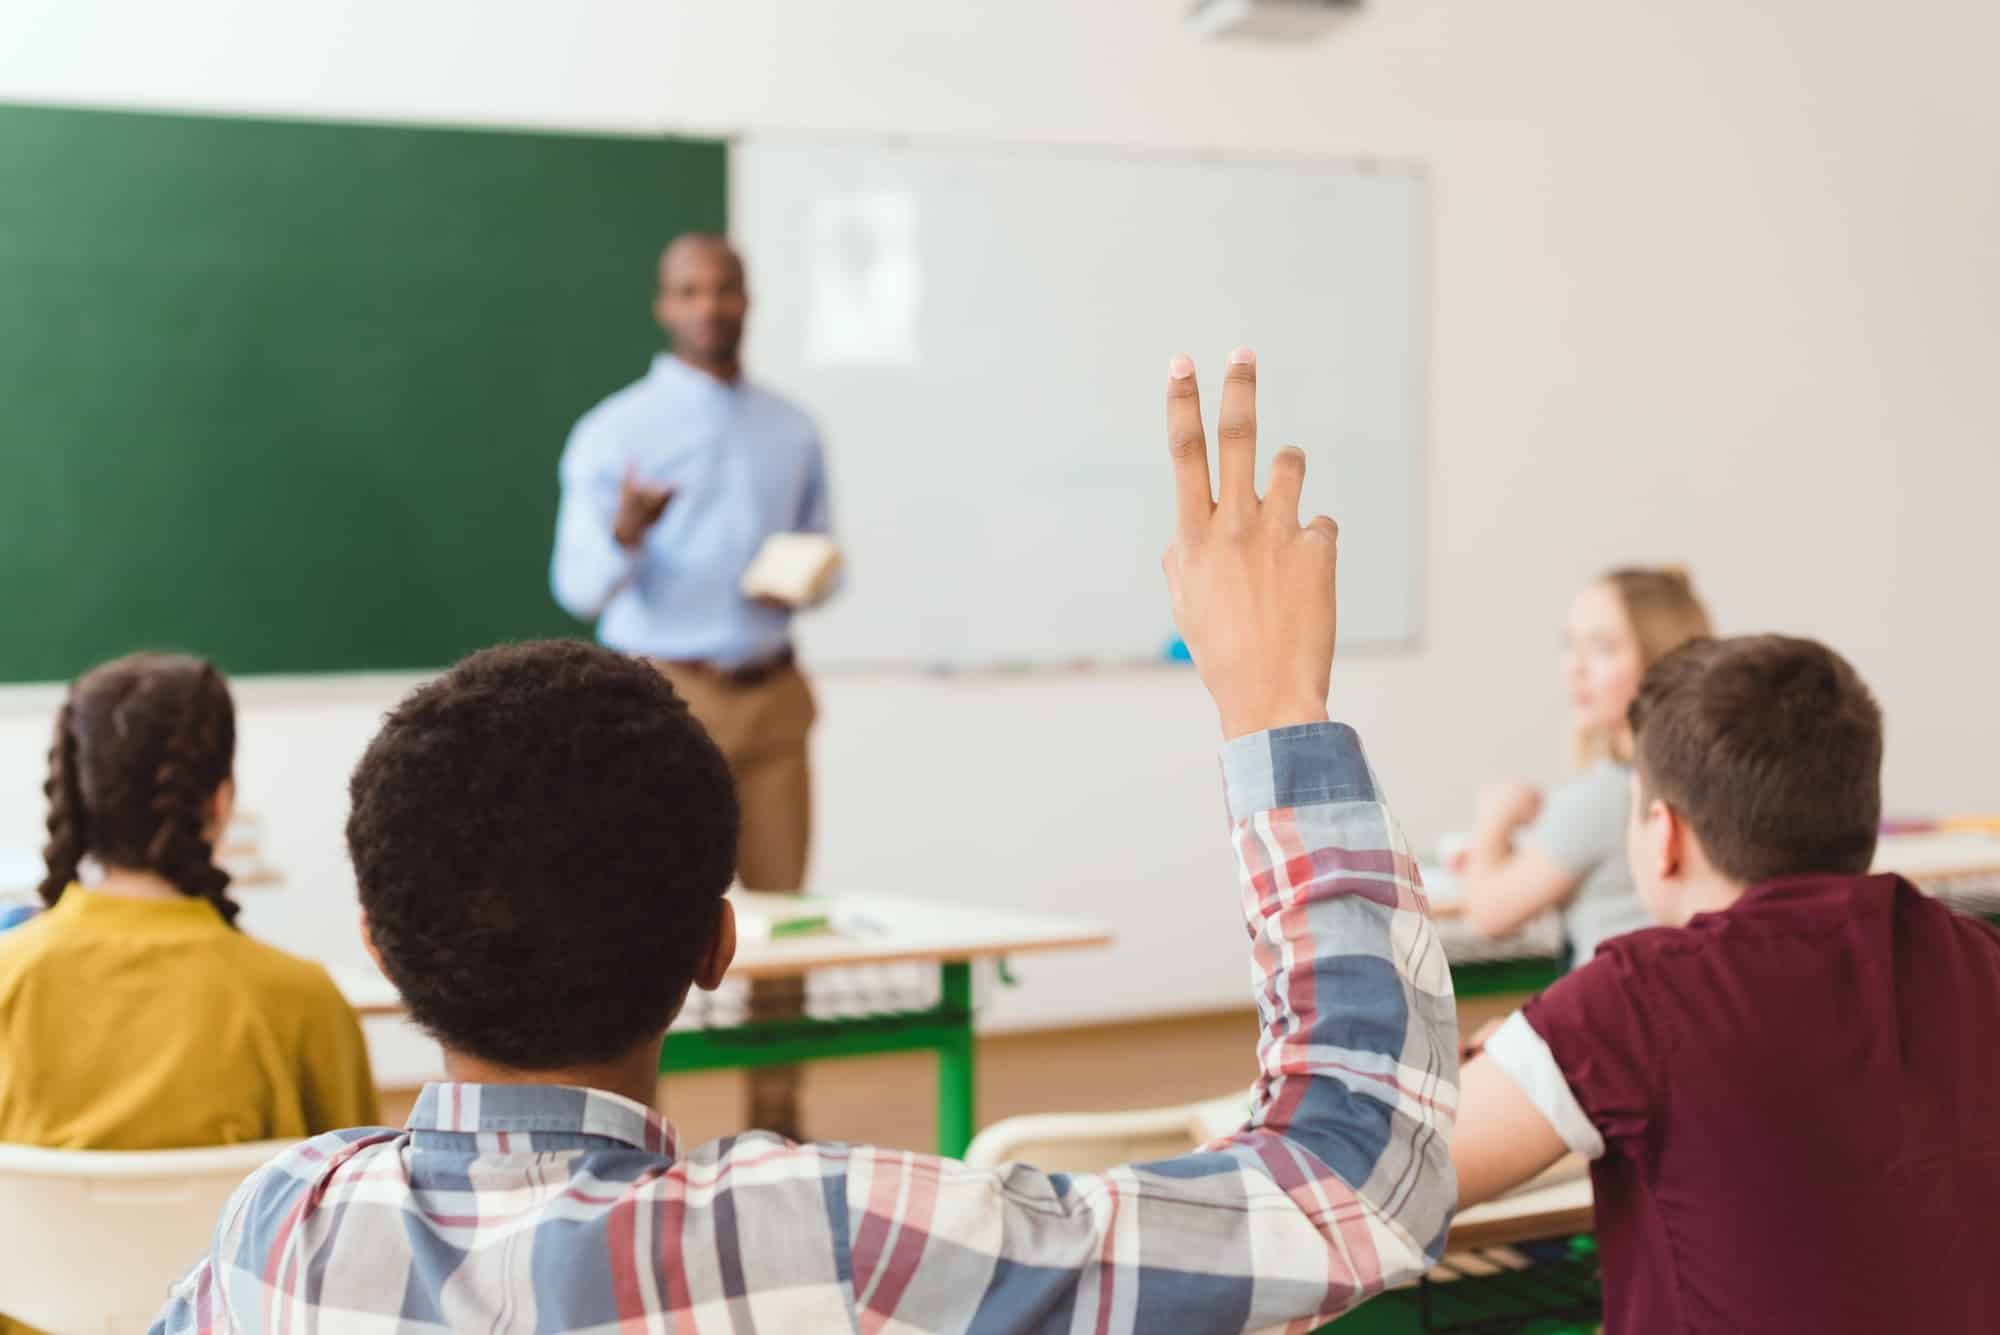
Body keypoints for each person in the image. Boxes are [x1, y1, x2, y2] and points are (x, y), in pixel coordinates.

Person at [153, 350, 1458, 1333]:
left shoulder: (286, 1230)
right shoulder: (832, 1236)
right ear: (718, 942)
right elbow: (1349, 1185)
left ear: (381, 948)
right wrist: (1275, 703)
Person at [1452, 634, 2000, 1332]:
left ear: (1664, 834)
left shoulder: (1637, 996)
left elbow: (1391, 1170)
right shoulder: (1981, 957)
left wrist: (1527, 1054)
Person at [551, 231, 833, 1139]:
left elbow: (827, 555)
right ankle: (634, 1134)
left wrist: (800, 575)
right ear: (664, 306)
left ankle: (779, 1134)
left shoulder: (792, 428)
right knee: (647, 924)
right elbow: (577, 584)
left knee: (785, 932)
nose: (709, 305)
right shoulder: (615, 430)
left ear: (748, 300)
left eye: (726, 288)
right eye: (689, 290)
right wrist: (627, 532)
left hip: (772, 694)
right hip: (666, 702)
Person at [0, 653, 378, 1150]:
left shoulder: (9, 979)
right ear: (220, 803)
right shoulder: (307, 1003)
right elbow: (353, 1197)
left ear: (74, 802)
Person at [1453, 568, 1710, 966]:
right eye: (1570, 644)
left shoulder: (1611, 793)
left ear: (1662, 662)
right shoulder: (1702, 780)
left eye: (1604, 648)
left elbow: (1486, 914)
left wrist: (1495, 817)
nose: (1576, 667)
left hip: (1608, 1016)